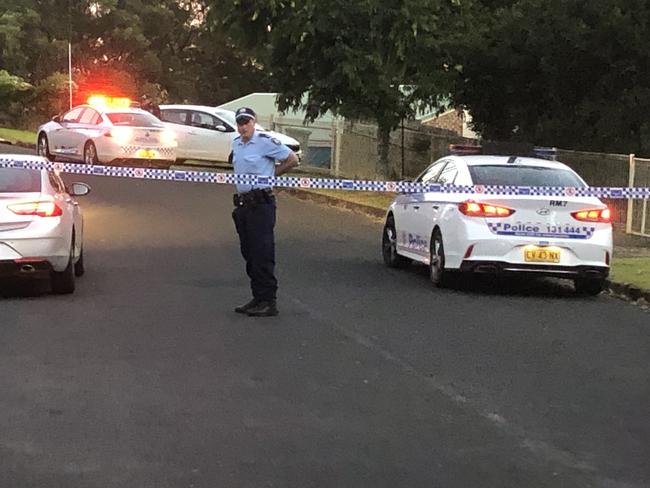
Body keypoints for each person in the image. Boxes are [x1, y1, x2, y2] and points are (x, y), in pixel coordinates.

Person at [231, 107, 299, 317]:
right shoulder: (236, 144)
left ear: (254, 122)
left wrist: (271, 176)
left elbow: (292, 159)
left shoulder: (264, 141)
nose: (243, 127)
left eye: (247, 122)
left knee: (262, 252)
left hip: (261, 204)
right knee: (249, 252)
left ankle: (269, 301)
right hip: (243, 205)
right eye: (240, 123)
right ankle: (257, 297)